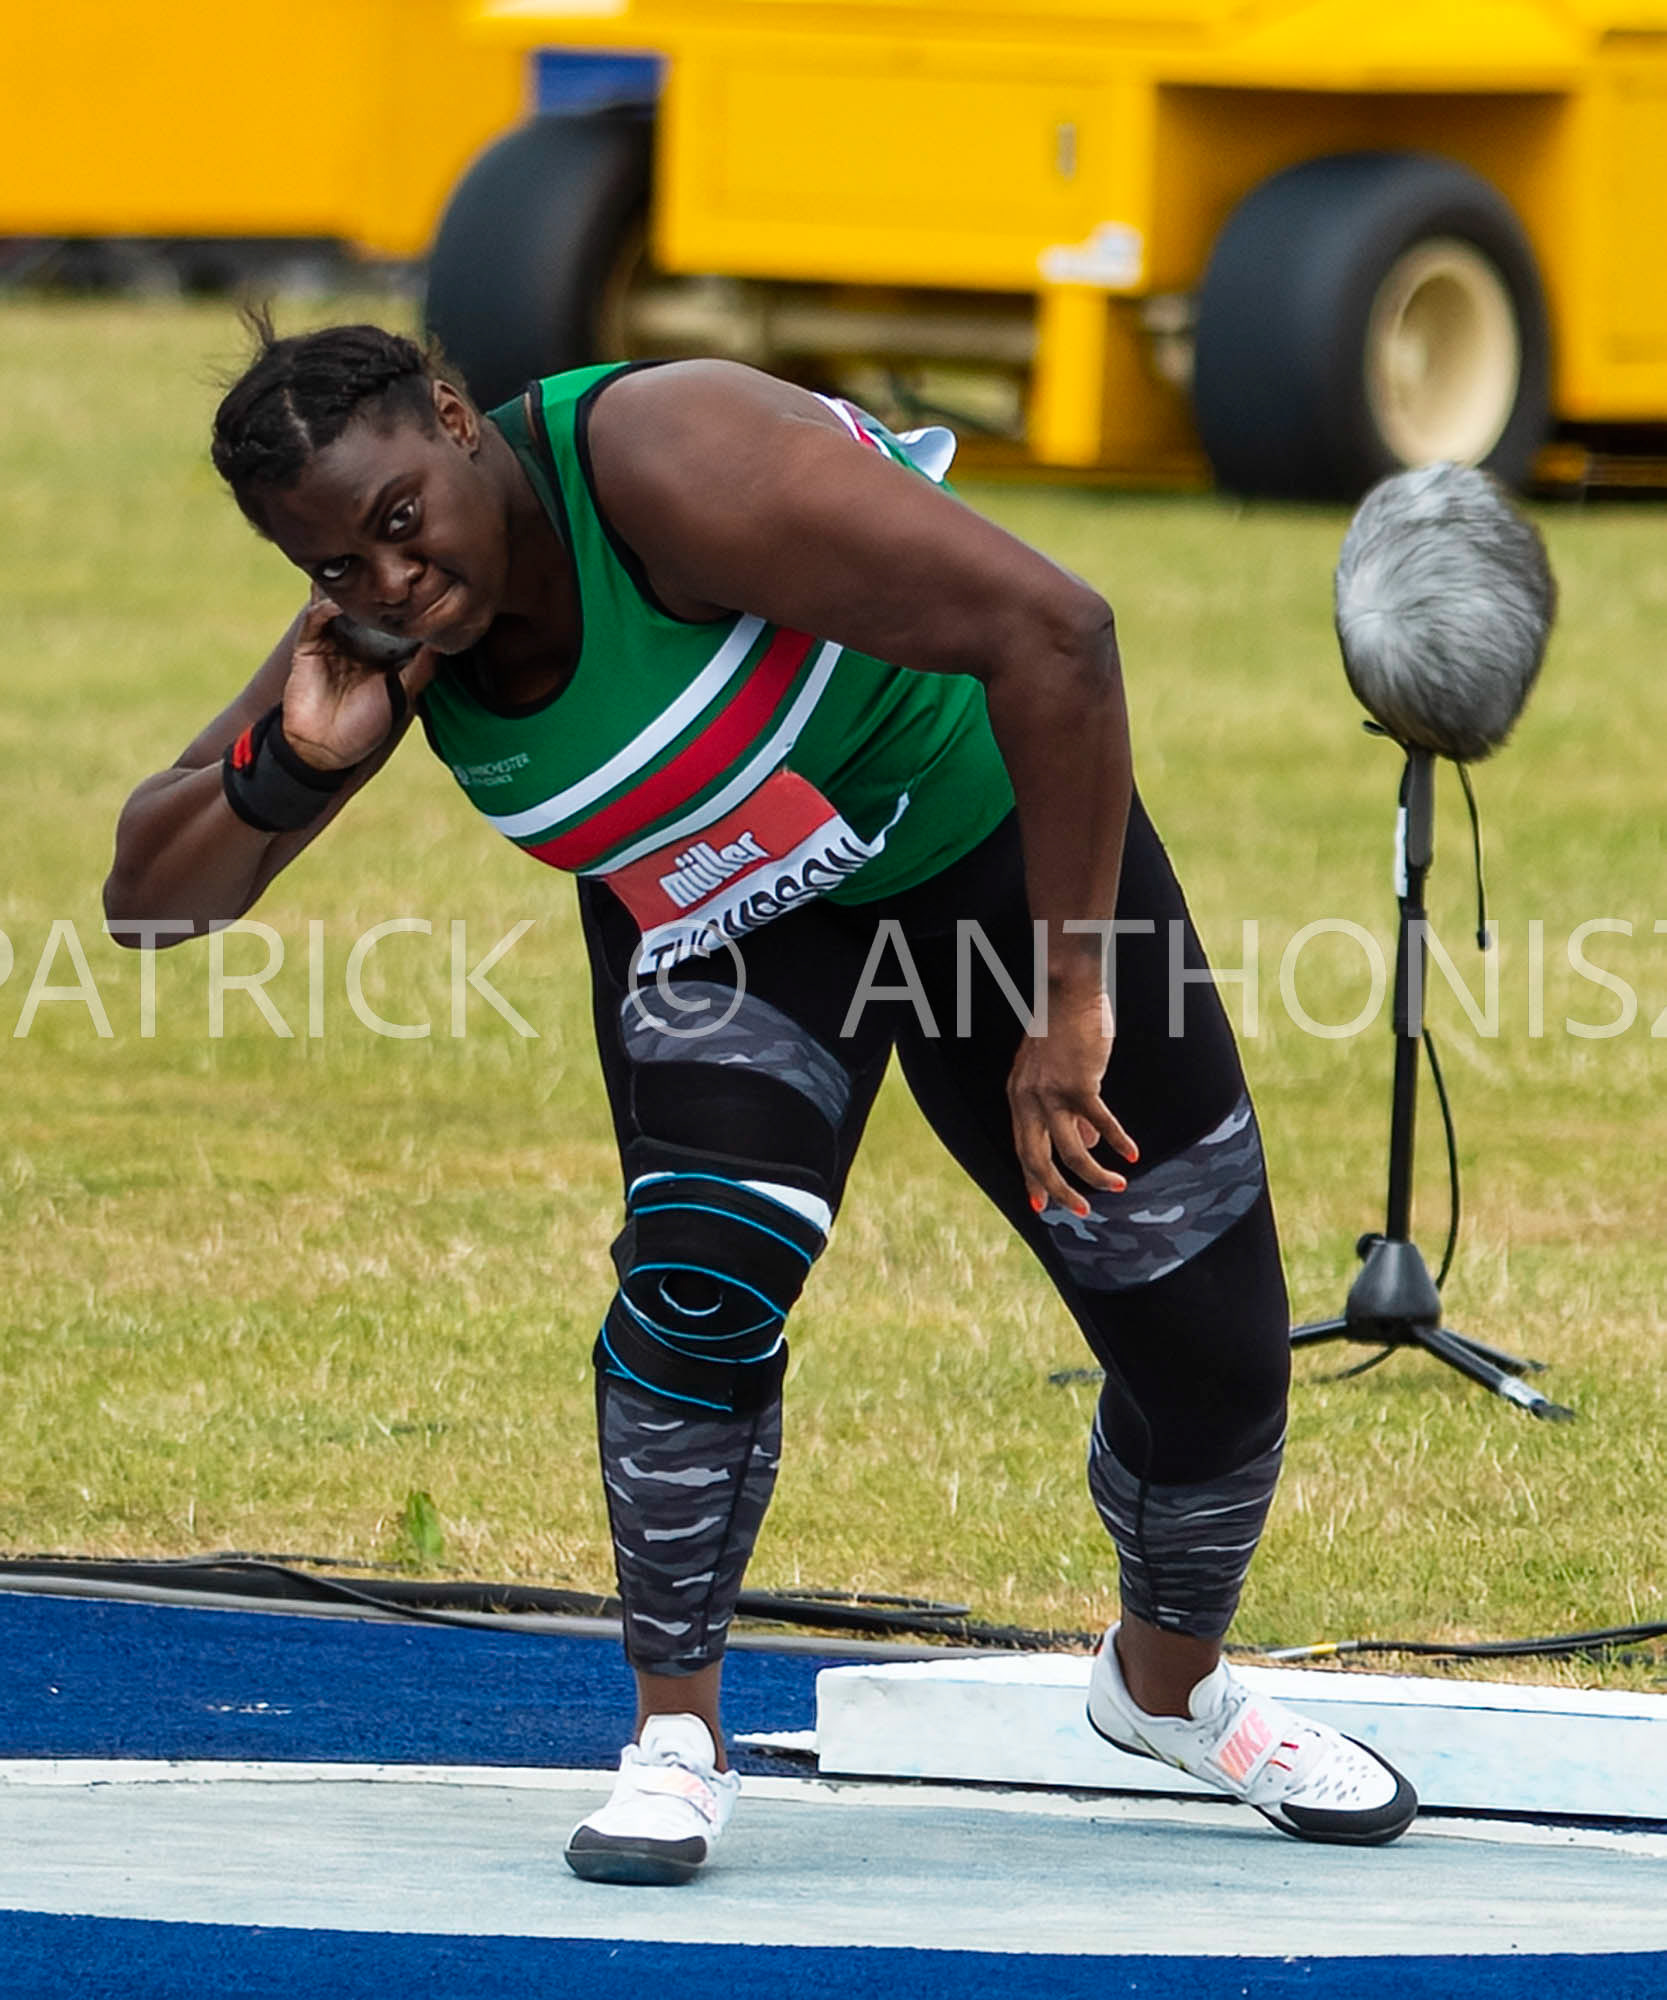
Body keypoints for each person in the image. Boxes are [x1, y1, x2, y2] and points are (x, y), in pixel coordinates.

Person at [105, 320, 1417, 1882]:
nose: (388, 584)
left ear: (454, 421)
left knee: (1211, 1357)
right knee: (699, 1281)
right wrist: (290, 771)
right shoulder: (389, 634)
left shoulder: (674, 462)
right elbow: (147, 898)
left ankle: (1168, 1689)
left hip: (994, 864)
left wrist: (1075, 997)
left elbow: (1057, 630)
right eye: (333, 567)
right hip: (730, 925)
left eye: (399, 525)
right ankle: (677, 1736)